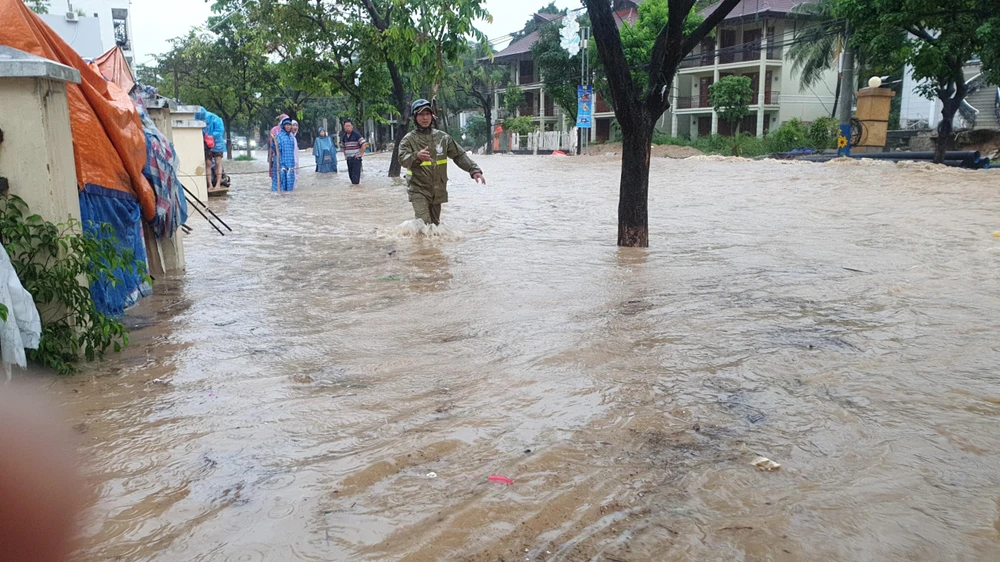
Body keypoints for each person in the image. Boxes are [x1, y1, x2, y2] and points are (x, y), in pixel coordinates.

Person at [398, 99, 486, 226]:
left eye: (427, 114)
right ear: (414, 117)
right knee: (424, 224)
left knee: (435, 226)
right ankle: (421, 245)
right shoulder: (408, 139)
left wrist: (474, 170)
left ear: (432, 116)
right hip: (418, 189)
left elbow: (459, 155)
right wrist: (416, 156)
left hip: (437, 189)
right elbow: (402, 159)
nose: (425, 118)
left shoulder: (443, 138)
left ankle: (431, 246)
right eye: (421, 114)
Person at [195, 107, 227, 191]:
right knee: (208, 163)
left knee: (218, 162)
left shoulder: (215, 118)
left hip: (217, 144)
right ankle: (210, 185)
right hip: (206, 145)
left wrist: (211, 136)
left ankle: (218, 184)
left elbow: (220, 130)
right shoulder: (196, 118)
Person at [271, 117, 297, 192]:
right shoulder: (279, 136)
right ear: (283, 126)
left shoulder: (291, 137)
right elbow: (276, 150)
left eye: (289, 125)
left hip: (290, 164)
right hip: (281, 163)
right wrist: (273, 141)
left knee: (289, 185)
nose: (288, 127)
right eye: (286, 125)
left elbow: (292, 151)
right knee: (280, 183)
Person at [340, 120, 368, 185]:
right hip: (349, 159)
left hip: (356, 159)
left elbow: (364, 144)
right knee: (351, 176)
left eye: (349, 126)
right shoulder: (344, 137)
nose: (347, 128)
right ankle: (354, 189)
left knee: (355, 177)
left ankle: (356, 190)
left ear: (352, 126)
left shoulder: (356, 134)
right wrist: (345, 156)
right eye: (346, 126)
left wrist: (361, 154)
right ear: (344, 127)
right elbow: (343, 147)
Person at [268, 113, 289, 179]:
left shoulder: (288, 131)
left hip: (286, 156)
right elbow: (272, 142)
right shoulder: (274, 130)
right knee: (276, 173)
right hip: (275, 154)